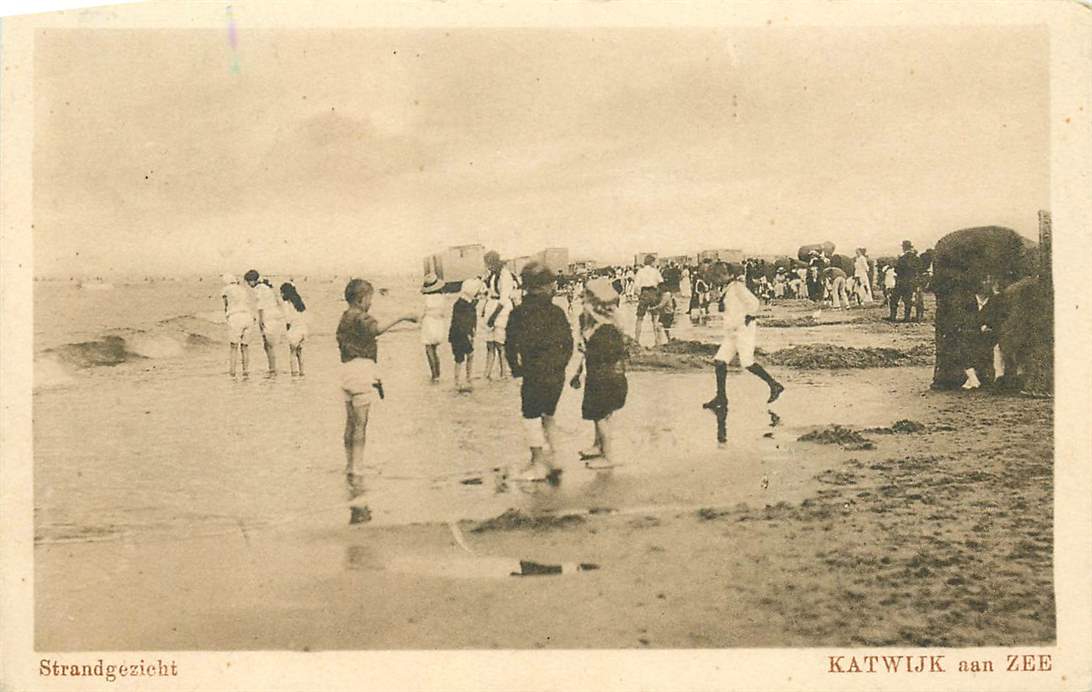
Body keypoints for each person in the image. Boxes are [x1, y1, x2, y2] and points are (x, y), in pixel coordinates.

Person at [337, 278, 418, 478]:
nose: (371, 303)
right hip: (362, 371)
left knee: (350, 422)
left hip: (346, 371)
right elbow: (377, 329)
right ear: (361, 299)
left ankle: (349, 465)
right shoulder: (360, 317)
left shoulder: (345, 316)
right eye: (370, 298)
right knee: (361, 424)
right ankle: (358, 466)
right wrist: (403, 316)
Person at [505, 261, 574, 484]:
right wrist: (561, 366)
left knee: (531, 418)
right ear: (542, 287)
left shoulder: (518, 313)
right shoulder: (556, 312)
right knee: (549, 415)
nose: (554, 287)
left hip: (533, 373)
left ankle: (537, 464)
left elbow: (509, 346)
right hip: (556, 373)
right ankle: (554, 459)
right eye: (551, 284)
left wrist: (517, 371)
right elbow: (568, 343)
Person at [703, 263, 785, 414]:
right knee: (720, 362)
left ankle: (774, 385)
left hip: (743, 329)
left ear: (728, 275)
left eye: (719, 277)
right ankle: (721, 397)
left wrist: (749, 316)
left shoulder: (738, 287)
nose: (717, 280)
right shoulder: (727, 288)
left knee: (747, 362)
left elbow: (754, 302)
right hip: (732, 331)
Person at [575, 278, 628, 470]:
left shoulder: (606, 327)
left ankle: (608, 455)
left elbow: (599, 352)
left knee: (601, 415)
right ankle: (598, 446)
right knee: (601, 415)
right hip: (604, 375)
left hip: (606, 376)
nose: (583, 302)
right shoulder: (607, 323)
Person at [481, 251, 517, 380]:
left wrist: (492, 318)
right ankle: (487, 374)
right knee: (490, 344)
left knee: (500, 344)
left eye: (490, 264)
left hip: (502, 311)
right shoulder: (492, 275)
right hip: (492, 306)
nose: (488, 267)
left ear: (496, 263)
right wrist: (485, 310)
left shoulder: (505, 275)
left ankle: (503, 373)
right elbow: (489, 293)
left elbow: (503, 300)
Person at [245, 270, 285, 376]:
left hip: (268, 317)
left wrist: (260, 320)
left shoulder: (259, 289)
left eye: (249, 282)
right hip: (275, 316)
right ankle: (272, 368)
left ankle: (272, 369)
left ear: (253, 280)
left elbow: (260, 305)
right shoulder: (266, 287)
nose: (248, 285)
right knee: (269, 345)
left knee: (268, 345)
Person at [449, 278, 481, 392]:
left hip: (457, 335)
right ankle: (463, 378)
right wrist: (469, 334)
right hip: (461, 334)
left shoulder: (462, 302)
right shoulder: (464, 304)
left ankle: (460, 379)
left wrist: (472, 332)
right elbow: (463, 322)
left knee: (461, 357)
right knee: (464, 356)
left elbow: (470, 319)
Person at [220, 273, 254, 377]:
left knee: (233, 347)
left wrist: (227, 317)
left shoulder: (225, 289)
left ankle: (232, 372)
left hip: (235, 317)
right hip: (248, 316)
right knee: (245, 347)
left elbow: (226, 305)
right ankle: (245, 371)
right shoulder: (243, 289)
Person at [419, 273, 447, 382]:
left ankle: (434, 374)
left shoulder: (426, 298)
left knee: (429, 349)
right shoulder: (442, 297)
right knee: (435, 349)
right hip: (439, 323)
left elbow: (421, 313)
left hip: (429, 322)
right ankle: (438, 374)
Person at [633, 255, 665, 346]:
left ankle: (636, 340)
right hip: (653, 293)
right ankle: (657, 341)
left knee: (639, 318)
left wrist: (640, 296)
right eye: (654, 262)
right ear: (652, 262)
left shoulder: (640, 271)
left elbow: (636, 287)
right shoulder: (655, 271)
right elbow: (661, 284)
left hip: (644, 293)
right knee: (655, 317)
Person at [280, 281, 308, 376]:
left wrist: (287, 330)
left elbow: (287, 319)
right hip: (304, 329)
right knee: (300, 352)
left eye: (281, 292)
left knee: (292, 353)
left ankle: (294, 373)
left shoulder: (287, 304)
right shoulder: (299, 303)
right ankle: (302, 372)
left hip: (294, 330)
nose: (281, 294)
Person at [890, 240, 920, 322]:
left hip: (901, 281)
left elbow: (897, 270)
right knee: (908, 300)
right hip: (911, 281)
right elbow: (918, 269)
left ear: (903, 247)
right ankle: (907, 317)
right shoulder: (916, 258)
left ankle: (893, 317)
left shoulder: (902, 258)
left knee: (894, 299)